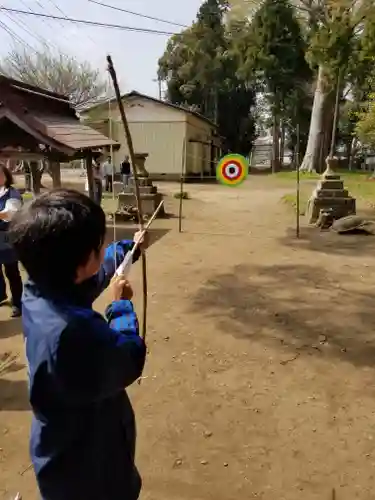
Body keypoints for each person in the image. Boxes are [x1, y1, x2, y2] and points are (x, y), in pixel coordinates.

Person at [9, 189, 148, 500]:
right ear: (85, 260)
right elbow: (129, 356)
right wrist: (121, 307)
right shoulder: (74, 333)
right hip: (88, 464)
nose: (103, 250)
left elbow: (87, 280)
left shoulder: (39, 291)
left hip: (60, 449)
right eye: (100, 246)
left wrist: (128, 250)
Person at [0, 164, 23, 318]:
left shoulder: (12, 194)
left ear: (6, 175)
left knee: (11, 270)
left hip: (6, 236)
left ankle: (17, 302)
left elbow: (10, 214)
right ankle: (1, 295)